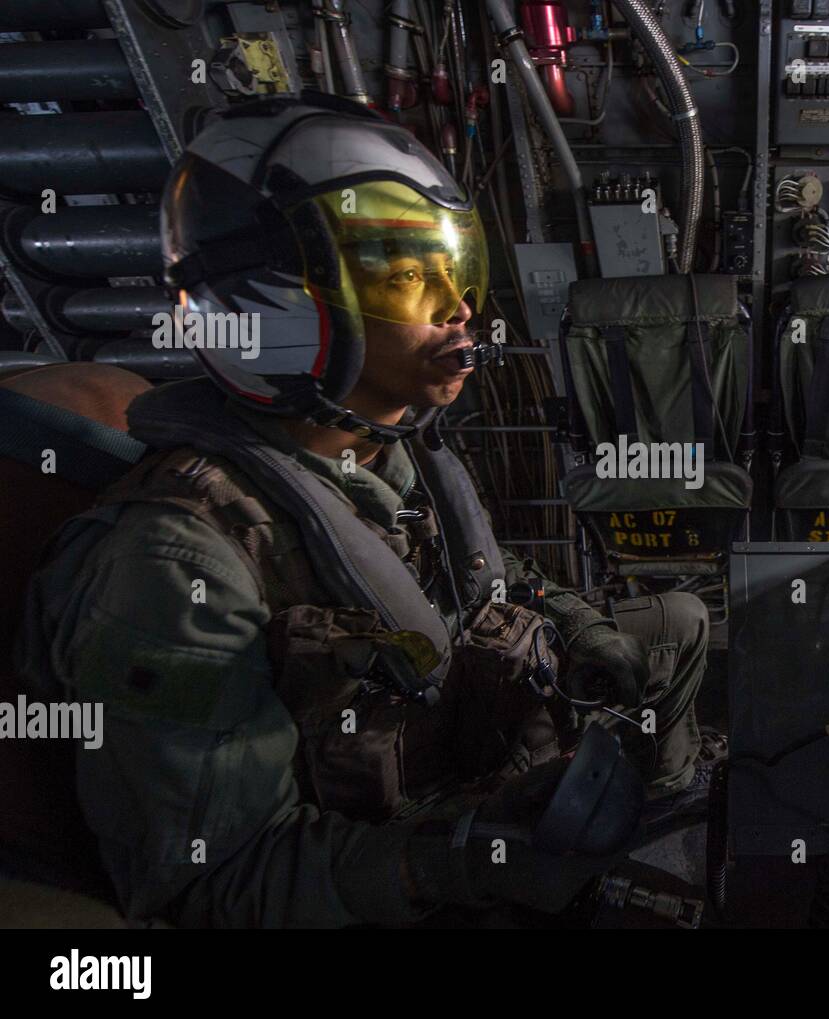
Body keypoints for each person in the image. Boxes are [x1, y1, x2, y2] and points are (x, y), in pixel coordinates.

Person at [16, 94, 724, 928]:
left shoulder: (394, 450)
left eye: (453, 272)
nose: (460, 309)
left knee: (677, 621)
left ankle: (660, 821)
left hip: (467, 744)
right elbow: (211, 881)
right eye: (407, 276)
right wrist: (451, 860)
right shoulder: (173, 567)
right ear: (274, 304)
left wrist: (575, 624)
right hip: (390, 851)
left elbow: (491, 583)